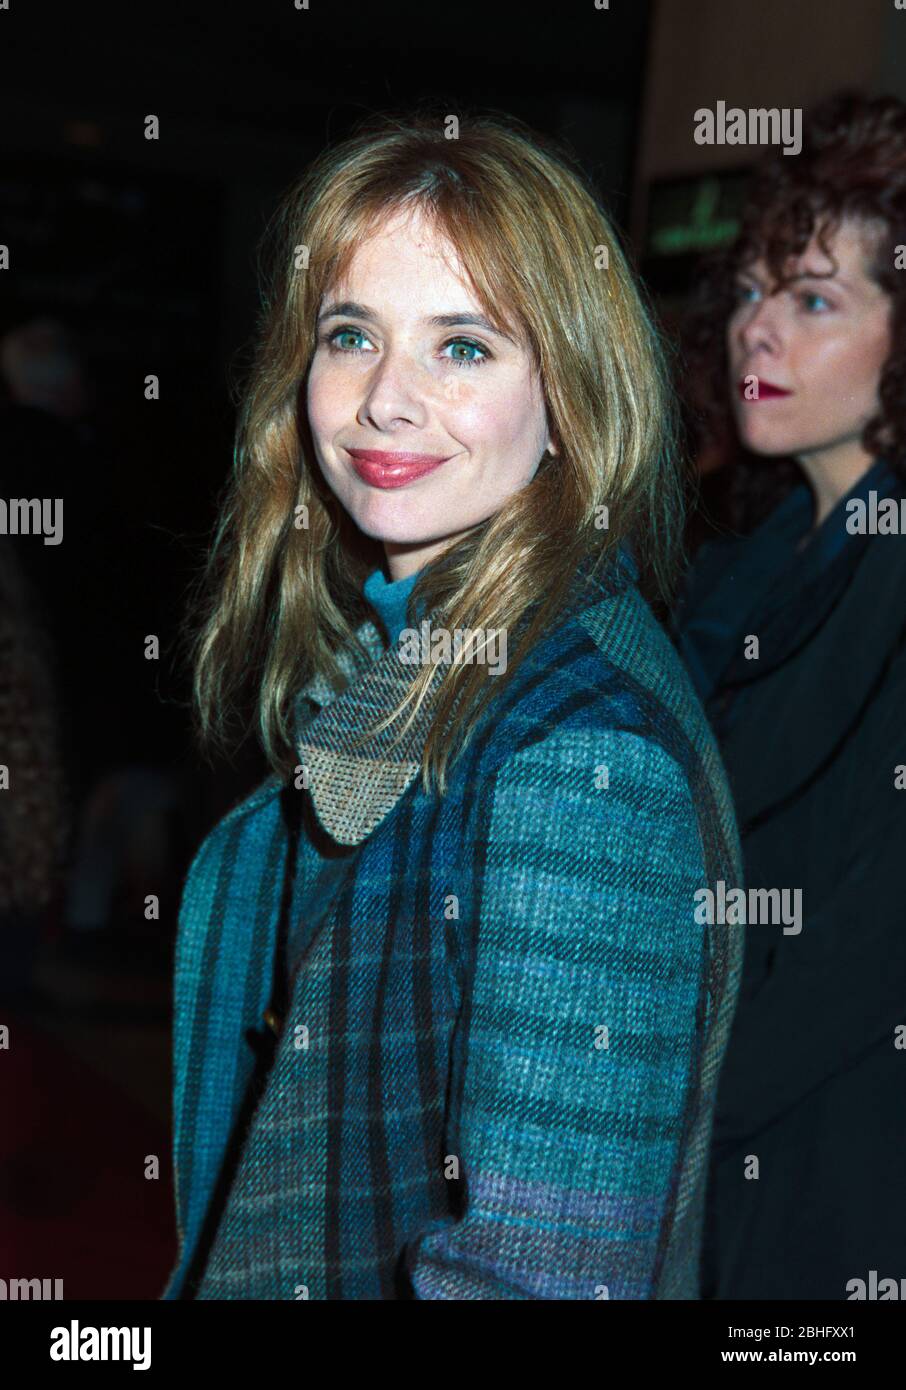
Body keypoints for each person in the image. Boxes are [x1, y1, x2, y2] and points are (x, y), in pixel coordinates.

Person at [161, 110, 742, 1301]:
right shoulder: (409, 658)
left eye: (463, 347)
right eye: (352, 334)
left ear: (573, 391)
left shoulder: (582, 758)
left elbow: (543, 1279)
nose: (384, 399)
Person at [674, 91, 906, 1300]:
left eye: (814, 299)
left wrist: (665, 1118)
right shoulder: (745, 561)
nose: (757, 330)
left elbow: (876, 946)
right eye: (757, 291)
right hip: (724, 1145)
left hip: (841, 1159)